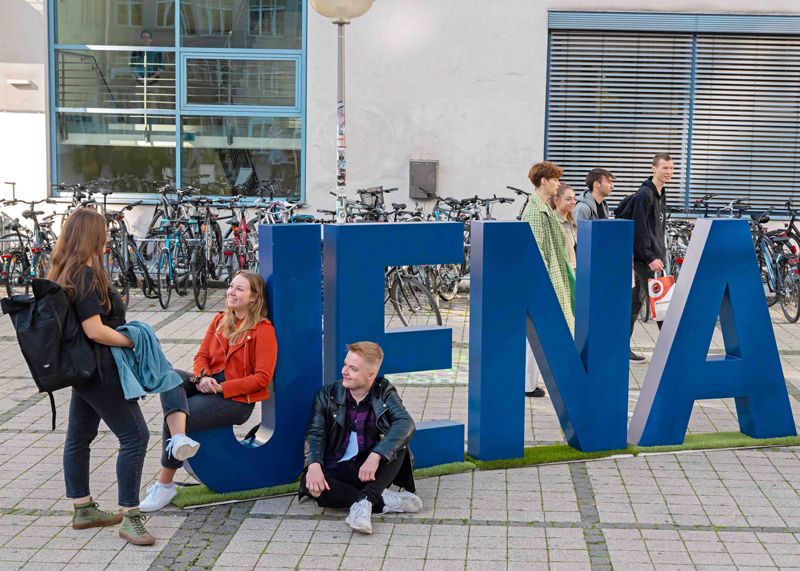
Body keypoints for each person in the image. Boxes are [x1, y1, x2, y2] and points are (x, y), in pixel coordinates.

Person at [48, 208, 154, 546]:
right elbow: (94, 330)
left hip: (84, 370)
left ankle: (83, 508)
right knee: (136, 435)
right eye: (104, 230)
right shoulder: (86, 276)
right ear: (93, 235)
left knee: (79, 435)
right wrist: (132, 339)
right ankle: (131, 516)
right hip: (100, 368)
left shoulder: (66, 271)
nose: (108, 235)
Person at [140, 270, 278, 512]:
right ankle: (180, 440)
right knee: (169, 378)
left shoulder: (262, 329)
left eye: (239, 289)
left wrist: (220, 387)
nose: (231, 292)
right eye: (231, 286)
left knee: (178, 415)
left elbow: (261, 378)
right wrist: (202, 377)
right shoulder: (220, 321)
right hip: (208, 384)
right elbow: (202, 355)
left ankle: (165, 484)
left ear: (254, 297)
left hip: (236, 400)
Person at [301, 342, 421, 535]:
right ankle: (376, 500)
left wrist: (376, 455)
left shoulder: (384, 391)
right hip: (337, 468)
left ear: (370, 375)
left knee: (399, 447)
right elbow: (315, 432)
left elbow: (406, 423)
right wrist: (313, 465)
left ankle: (363, 505)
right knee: (317, 490)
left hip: (367, 470)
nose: (344, 371)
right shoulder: (326, 395)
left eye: (353, 368)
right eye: (345, 364)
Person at [521, 161, 575, 398]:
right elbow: (536, 251)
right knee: (538, 335)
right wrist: (543, 287)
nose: (558, 184)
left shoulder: (543, 206)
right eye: (554, 180)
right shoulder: (535, 210)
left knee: (538, 335)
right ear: (543, 181)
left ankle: (530, 383)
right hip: (546, 281)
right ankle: (528, 383)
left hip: (553, 277)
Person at [629, 154, 673, 361]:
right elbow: (640, 229)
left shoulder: (660, 193)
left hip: (653, 258)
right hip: (645, 261)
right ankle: (671, 350)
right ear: (653, 169)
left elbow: (657, 229)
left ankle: (621, 347)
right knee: (662, 304)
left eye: (671, 168)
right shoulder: (645, 195)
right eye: (664, 168)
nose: (668, 172)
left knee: (635, 304)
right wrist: (649, 258)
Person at [549, 183, 578, 272]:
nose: (573, 202)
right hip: (562, 273)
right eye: (568, 199)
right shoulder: (552, 222)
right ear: (556, 200)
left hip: (574, 272)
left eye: (574, 198)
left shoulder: (572, 222)